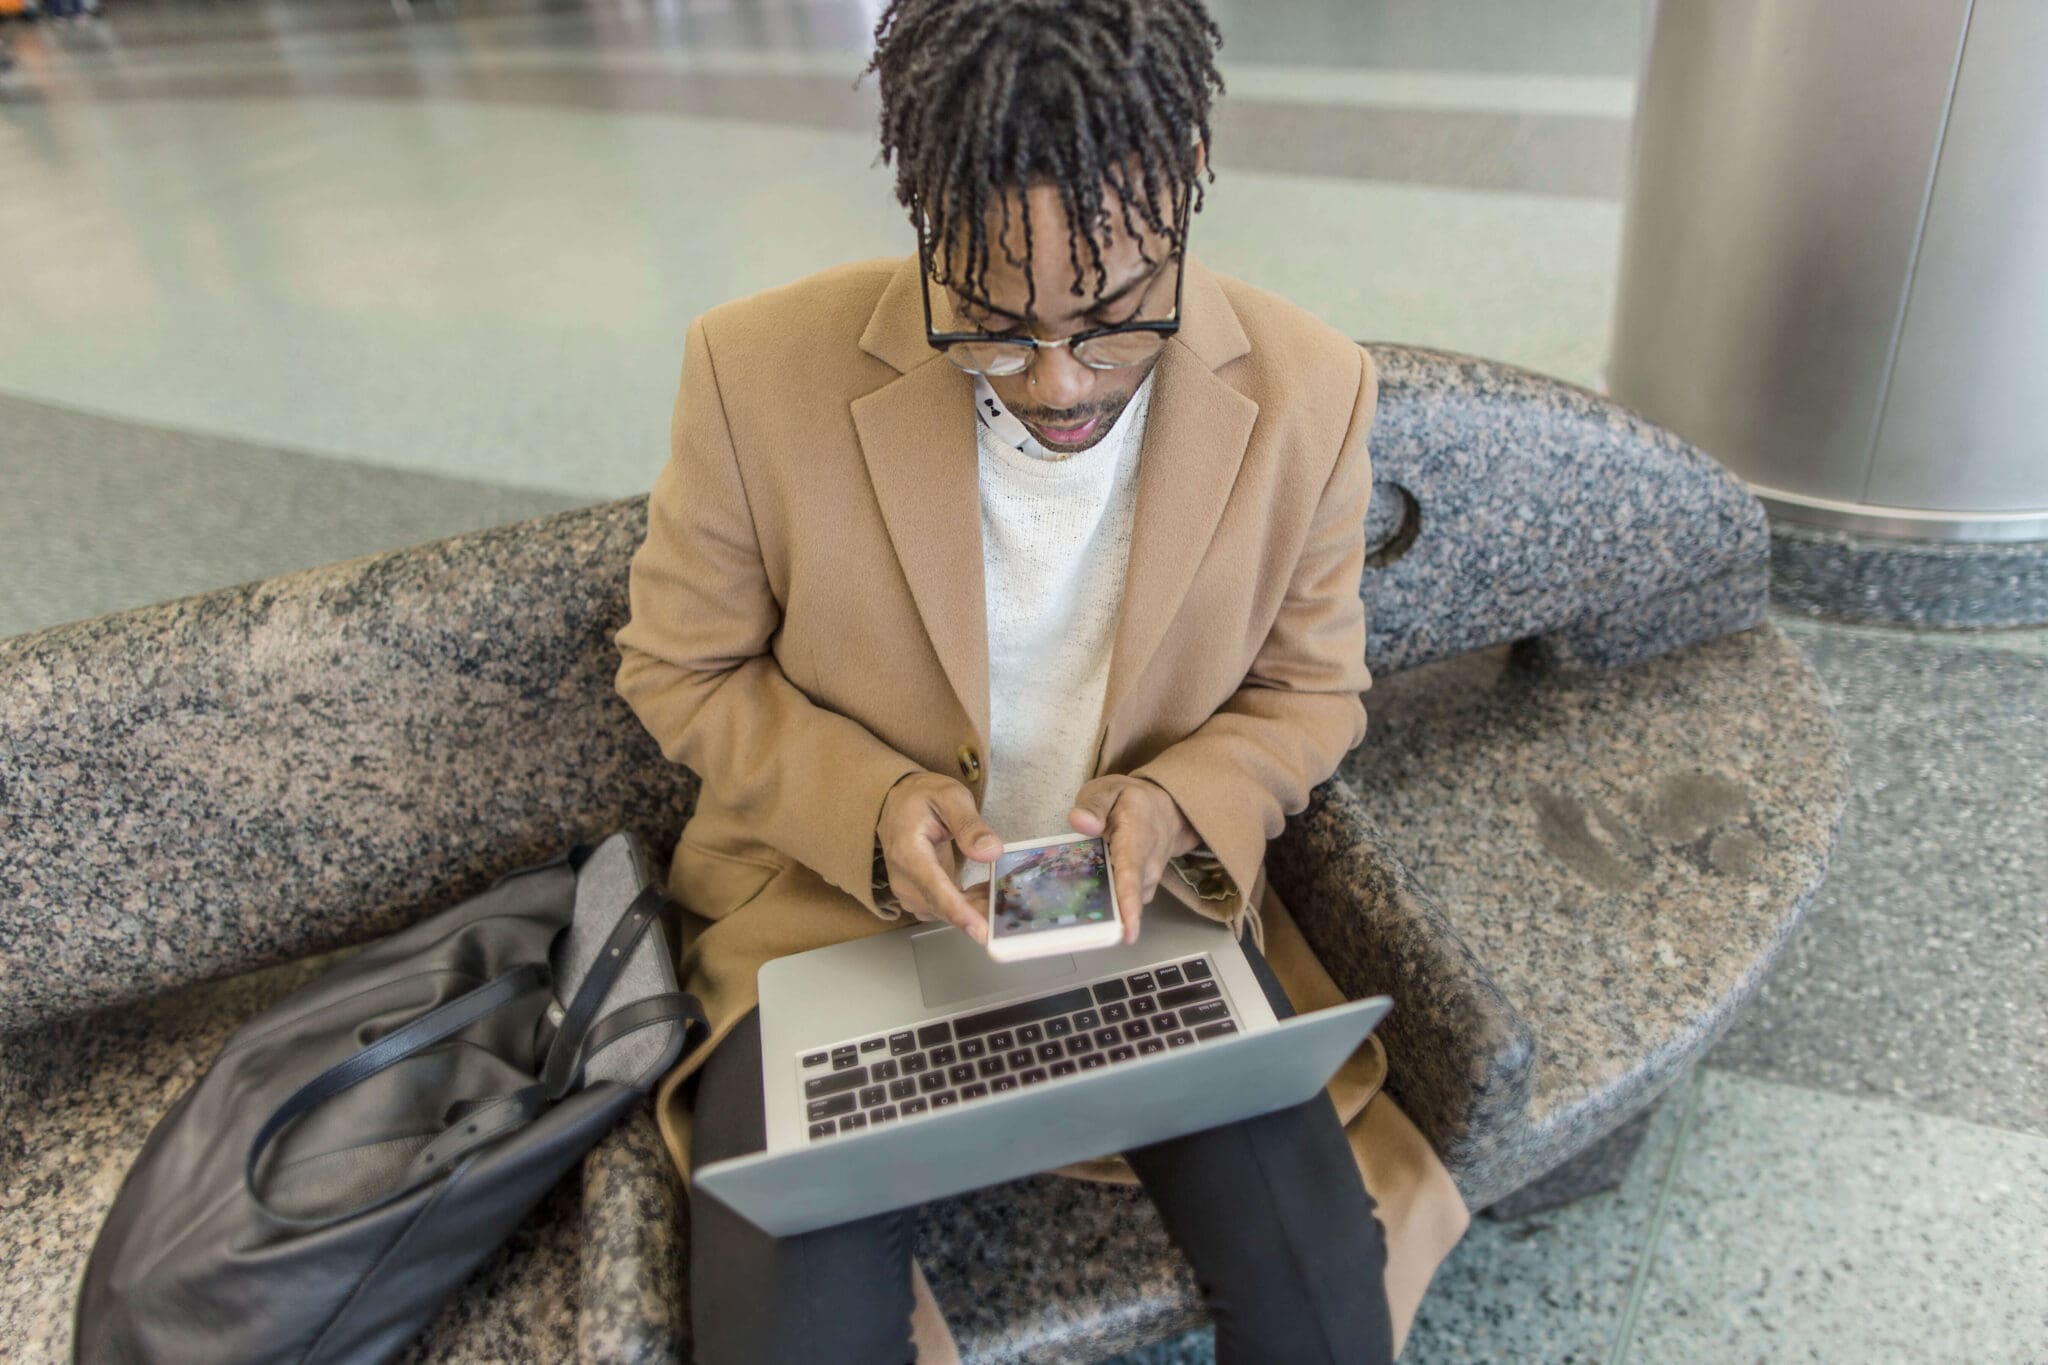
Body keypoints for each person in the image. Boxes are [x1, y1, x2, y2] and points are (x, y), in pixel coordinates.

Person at [614, 2, 1467, 1360]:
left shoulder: (1312, 392)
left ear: (1188, 167)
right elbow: (679, 664)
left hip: (1143, 925)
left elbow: (1315, 694)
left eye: (1120, 318)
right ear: (923, 217)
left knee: (1321, 1304)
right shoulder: (753, 372)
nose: (1060, 383)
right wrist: (871, 801)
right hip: (830, 932)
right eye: (993, 329)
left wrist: (1182, 803)